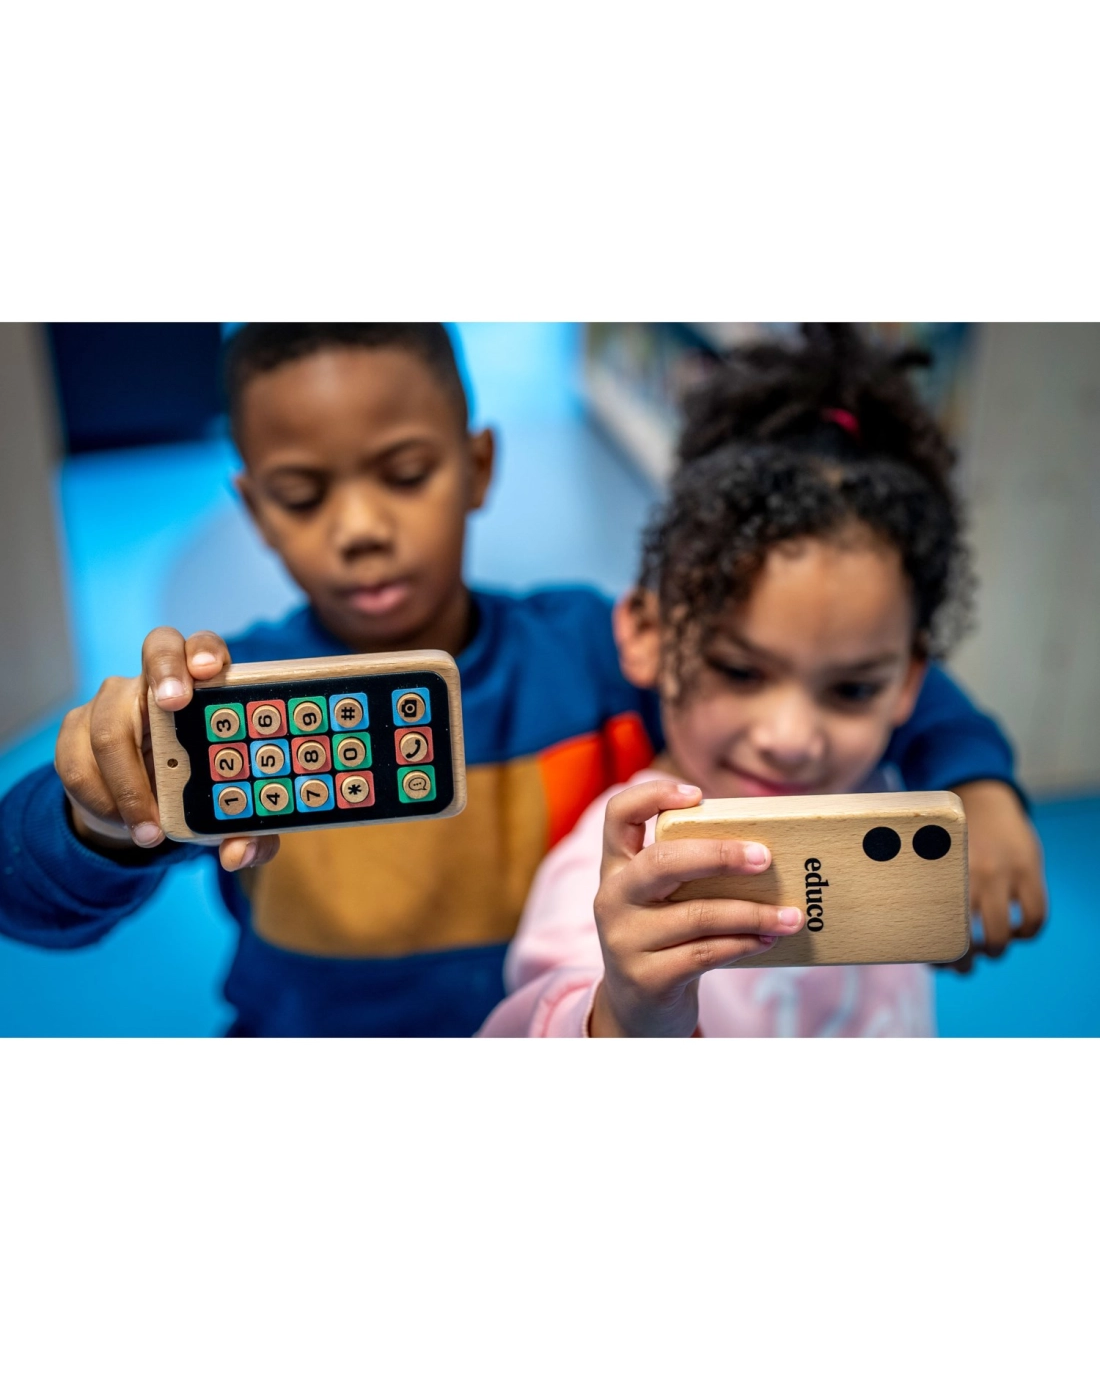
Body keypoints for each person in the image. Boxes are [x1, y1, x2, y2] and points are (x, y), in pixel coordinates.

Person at [0, 324, 1040, 1036]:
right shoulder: (227, 701)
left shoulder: (594, 649)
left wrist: (976, 781)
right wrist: (98, 813)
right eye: (303, 495)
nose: (360, 529)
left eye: (405, 474)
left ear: (480, 466)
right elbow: (26, 897)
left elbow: (819, 662)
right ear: (254, 508)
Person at [479, 324, 1047, 1037]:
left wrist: (983, 791)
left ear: (909, 682)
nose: (791, 740)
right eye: (741, 671)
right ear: (647, 636)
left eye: (852, 690)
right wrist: (626, 1013)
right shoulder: (613, 878)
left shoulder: (882, 804)